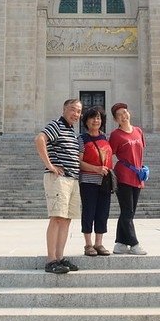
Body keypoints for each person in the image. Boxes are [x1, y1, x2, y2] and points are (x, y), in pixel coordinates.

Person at [35, 99, 83, 274]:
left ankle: (60, 257)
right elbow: (40, 139)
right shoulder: (56, 125)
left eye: (78, 111)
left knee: (66, 219)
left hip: (71, 180)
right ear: (64, 109)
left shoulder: (71, 131)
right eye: (72, 110)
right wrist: (50, 165)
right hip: (58, 180)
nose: (76, 114)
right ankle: (51, 260)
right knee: (56, 218)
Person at [109, 102, 147, 255]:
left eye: (125, 112)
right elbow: (109, 153)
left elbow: (140, 152)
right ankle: (134, 243)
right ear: (116, 119)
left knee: (129, 212)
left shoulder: (138, 131)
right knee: (127, 211)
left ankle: (120, 243)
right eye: (119, 115)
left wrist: (143, 169)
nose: (123, 116)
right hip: (123, 175)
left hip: (137, 175)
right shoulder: (116, 135)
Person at [78, 106, 113, 256]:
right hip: (88, 181)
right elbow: (78, 162)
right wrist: (96, 169)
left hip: (104, 182)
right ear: (86, 121)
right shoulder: (81, 139)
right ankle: (88, 244)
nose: (95, 120)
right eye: (92, 117)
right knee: (89, 211)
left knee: (102, 212)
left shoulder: (106, 138)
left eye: (98, 118)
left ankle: (99, 243)